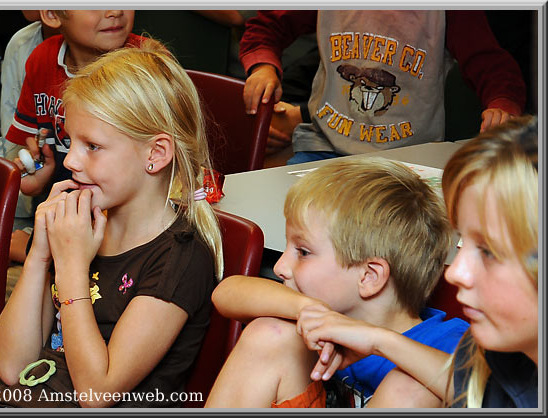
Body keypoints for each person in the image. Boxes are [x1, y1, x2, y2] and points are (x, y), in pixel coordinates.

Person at [0, 39, 223, 408]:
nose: (71, 161)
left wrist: (70, 266)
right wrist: (40, 255)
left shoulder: (181, 260)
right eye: (71, 142)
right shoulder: (81, 223)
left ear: (156, 154)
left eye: (93, 147)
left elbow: (96, 394)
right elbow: (9, 365)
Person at [296, 116, 538, 408]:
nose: (455, 272)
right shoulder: (508, 360)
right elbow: (471, 389)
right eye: (463, 242)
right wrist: (380, 341)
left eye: (489, 251)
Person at [205, 157, 470, 408]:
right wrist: (307, 310)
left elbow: (490, 393)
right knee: (269, 332)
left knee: (409, 388)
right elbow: (226, 293)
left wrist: (379, 342)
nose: (279, 267)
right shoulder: (319, 310)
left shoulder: (448, 342)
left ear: (369, 277)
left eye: (303, 252)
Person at [239, 10, 526, 164]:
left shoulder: (449, 12)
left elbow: (489, 62)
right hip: (325, 145)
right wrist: (263, 66)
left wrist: (502, 102)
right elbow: (267, 26)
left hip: (405, 158)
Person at [3, 10, 142, 259]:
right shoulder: (42, 59)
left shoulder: (146, 65)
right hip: (57, 225)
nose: (116, 11)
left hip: (123, 244)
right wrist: (37, 176)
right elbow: (33, 146)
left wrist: (36, 249)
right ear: (52, 14)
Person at [0, 11, 60, 300]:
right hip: (43, 215)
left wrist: (31, 244)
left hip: (63, 233)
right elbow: (16, 144)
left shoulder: (137, 61)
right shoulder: (33, 51)